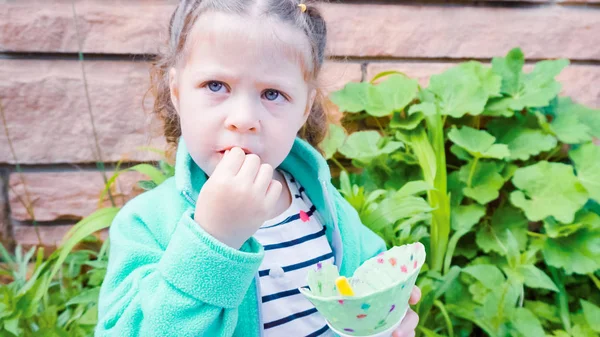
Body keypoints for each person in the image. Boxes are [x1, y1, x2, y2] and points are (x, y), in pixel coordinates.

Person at [95, 1, 421, 336]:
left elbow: (361, 286)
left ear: (305, 108)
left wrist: (383, 316)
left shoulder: (319, 201)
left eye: (272, 93)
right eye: (215, 86)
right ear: (177, 92)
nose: (244, 119)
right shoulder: (147, 225)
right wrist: (212, 241)